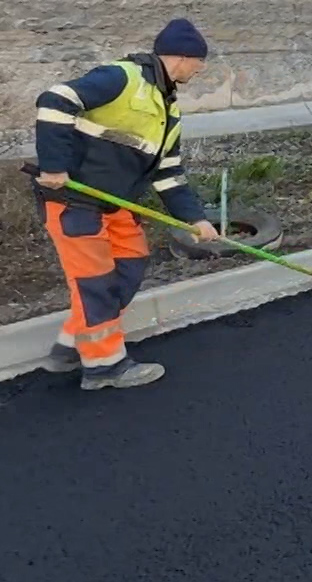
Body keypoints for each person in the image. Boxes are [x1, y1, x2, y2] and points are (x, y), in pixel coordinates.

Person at [33, 19, 218, 390]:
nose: (201, 69)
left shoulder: (169, 111)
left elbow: (169, 174)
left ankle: (71, 344)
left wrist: (195, 219)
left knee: (130, 265)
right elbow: (55, 100)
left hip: (116, 203)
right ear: (182, 58)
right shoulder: (122, 77)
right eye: (200, 62)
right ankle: (105, 367)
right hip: (75, 200)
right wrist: (53, 165)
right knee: (96, 282)